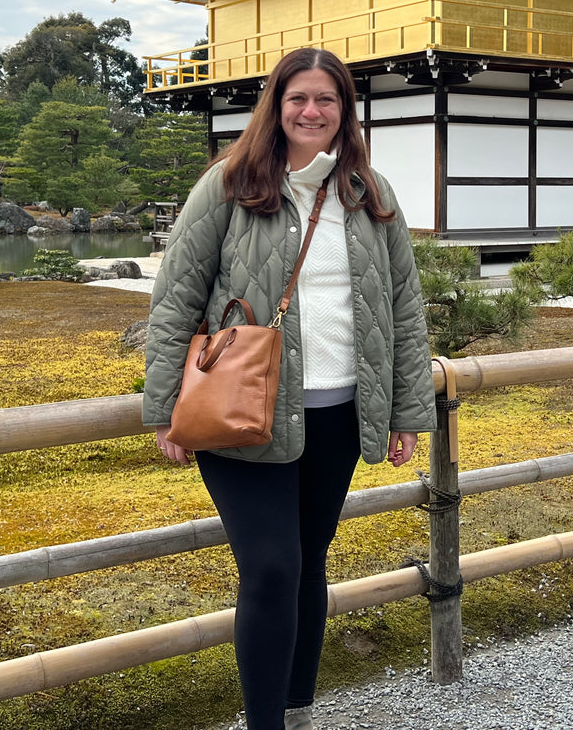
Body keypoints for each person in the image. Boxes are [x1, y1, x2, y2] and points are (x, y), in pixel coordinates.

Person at [144, 46, 434, 730]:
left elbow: (403, 305)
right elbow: (175, 296)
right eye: (297, 97)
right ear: (275, 105)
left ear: (345, 113)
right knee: (271, 568)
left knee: (308, 564)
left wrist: (405, 410)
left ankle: (298, 712)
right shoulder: (229, 183)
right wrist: (163, 408)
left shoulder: (369, 192)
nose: (311, 111)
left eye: (326, 100)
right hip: (246, 411)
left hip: (339, 411)